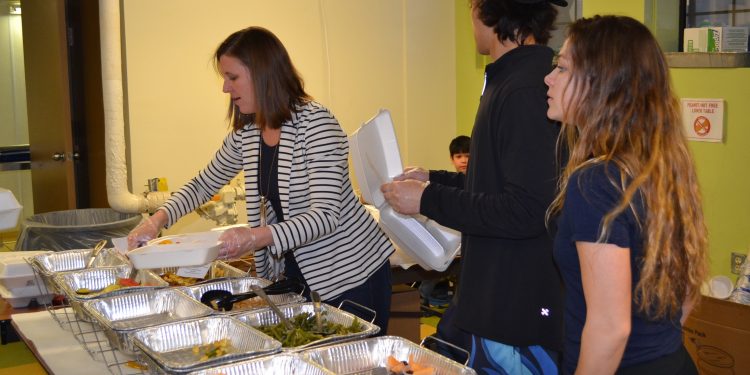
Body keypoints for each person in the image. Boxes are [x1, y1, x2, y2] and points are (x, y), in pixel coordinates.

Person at [127, 26, 394, 332]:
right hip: (298, 274)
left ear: (262, 73)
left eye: (232, 77)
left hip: (350, 273)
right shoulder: (248, 133)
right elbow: (203, 183)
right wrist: (156, 220)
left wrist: (253, 237)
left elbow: (324, 216)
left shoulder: (317, 124)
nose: (226, 89)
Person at [381, 0, 566, 372]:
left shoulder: (525, 89)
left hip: (515, 311)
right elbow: (497, 182)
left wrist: (429, 198)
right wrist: (435, 179)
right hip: (491, 298)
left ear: (485, 10)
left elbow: (528, 208)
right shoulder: (509, 79)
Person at [544, 15, 708, 374]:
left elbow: (611, 328)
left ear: (600, 85)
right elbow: (685, 295)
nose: (549, 78)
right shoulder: (657, 168)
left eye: (562, 68)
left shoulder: (596, 181)